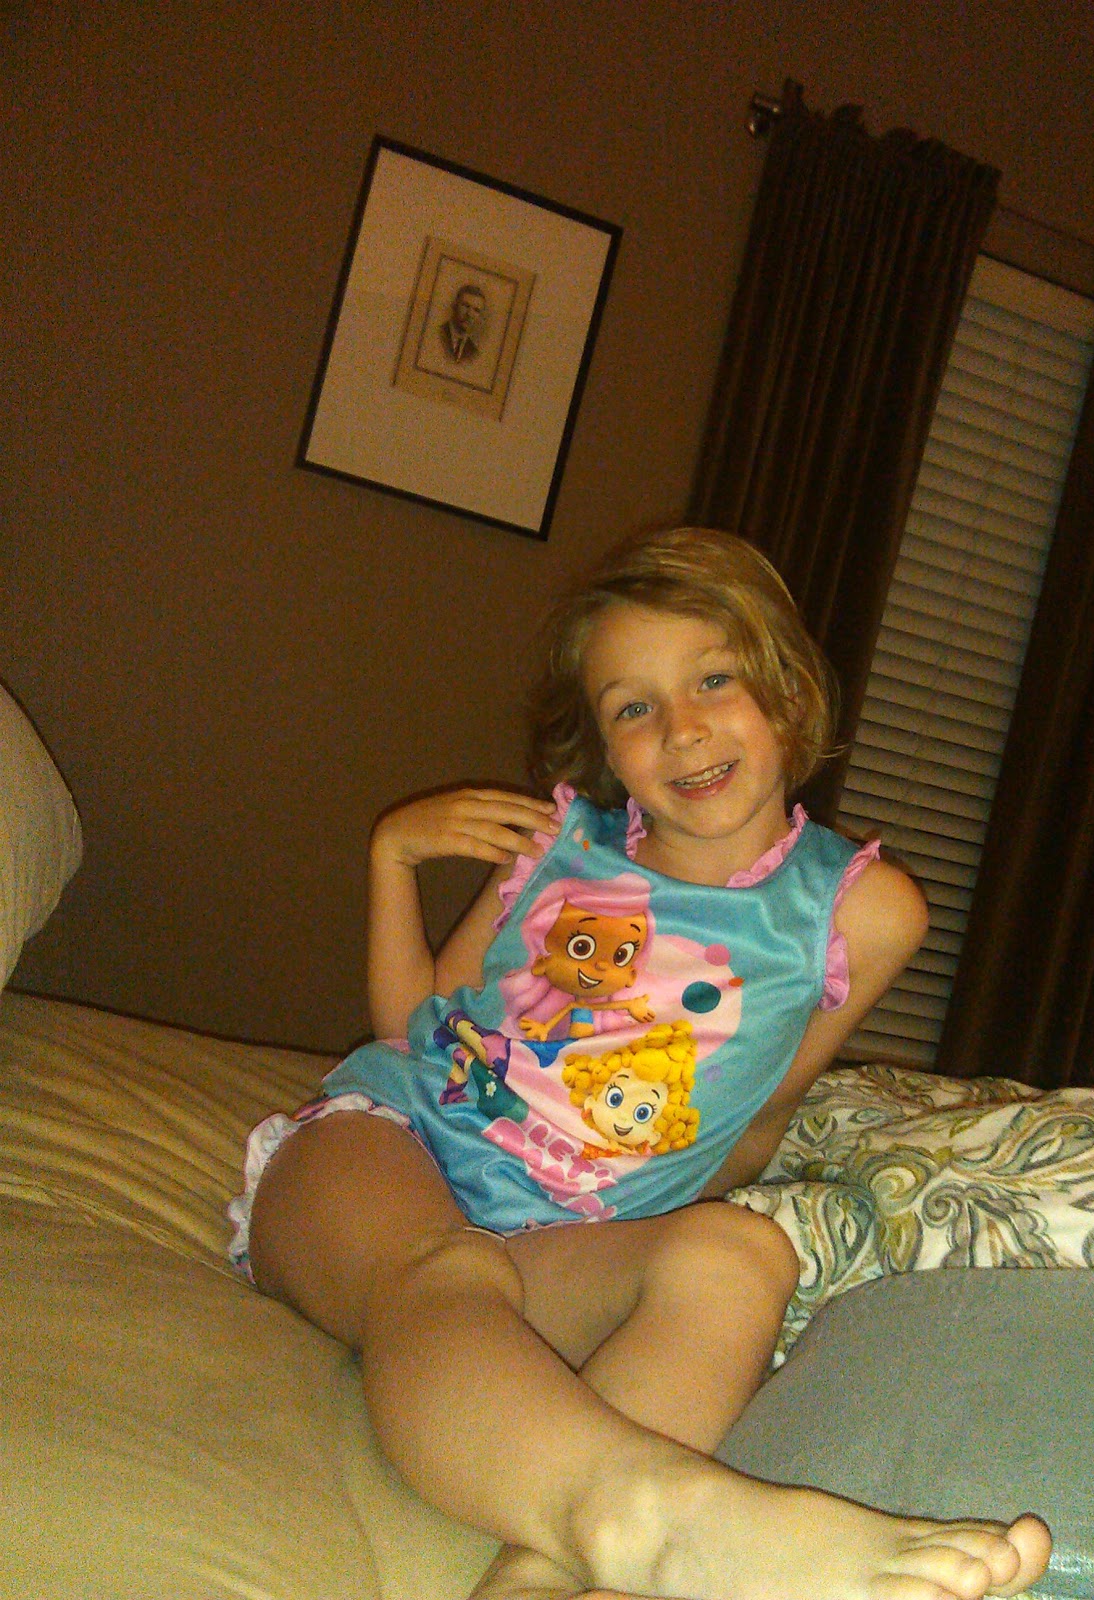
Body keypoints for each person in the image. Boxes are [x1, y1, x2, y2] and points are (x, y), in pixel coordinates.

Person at [232, 527, 1052, 1600]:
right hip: (380, 1157)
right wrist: (392, 856)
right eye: (633, 708)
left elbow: (765, 1106)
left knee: (742, 1254)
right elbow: (414, 1024)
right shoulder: (559, 846)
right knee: (449, 1271)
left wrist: (695, 1228)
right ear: (607, 751)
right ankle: (652, 1524)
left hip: (558, 1246)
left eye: (715, 680)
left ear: (786, 695)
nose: (682, 728)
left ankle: (535, 1580)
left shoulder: (864, 909)